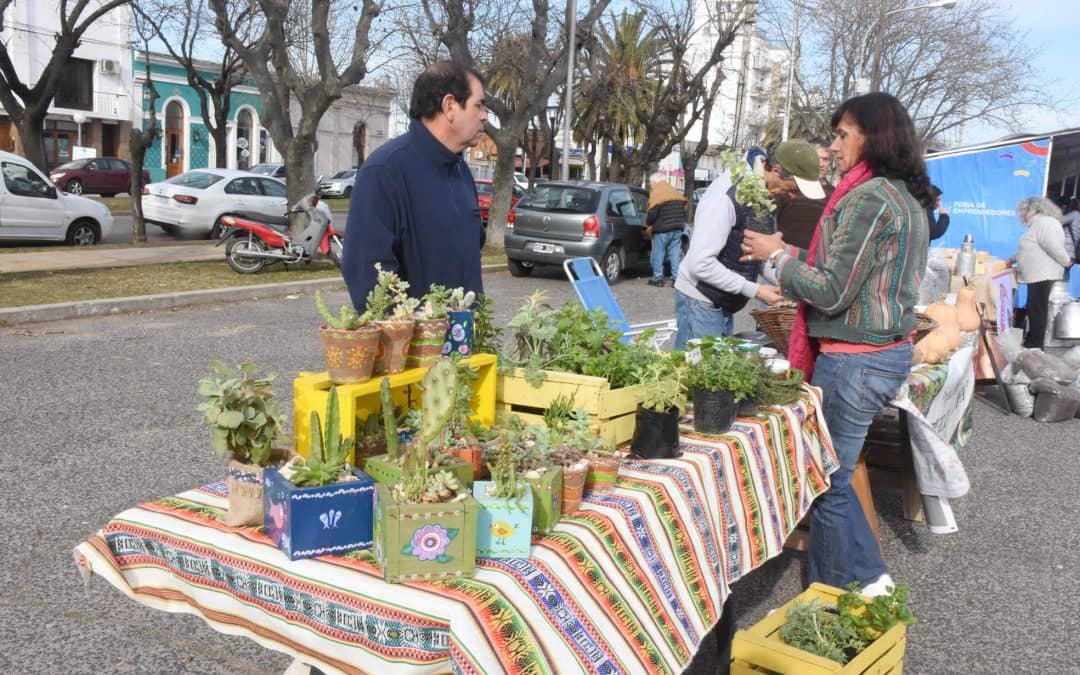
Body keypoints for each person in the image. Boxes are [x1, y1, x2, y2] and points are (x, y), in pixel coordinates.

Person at [742, 92, 931, 596]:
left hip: (855, 362)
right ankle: (867, 582)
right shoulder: (901, 198)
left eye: (843, 133)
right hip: (880, 354)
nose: (834, 144)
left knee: (825, 481)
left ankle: (830, 596)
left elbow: (831, 290)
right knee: (834, 477)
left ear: (874, 137)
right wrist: (787, 251)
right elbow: (851, 271)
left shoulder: (870, 198)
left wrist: (779, 263)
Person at [342, 61, 488, 309]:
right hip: (414, 344)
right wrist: (418, 333)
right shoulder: (385, 172)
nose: (485, 115)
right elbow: (368, 276)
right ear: (450, 106)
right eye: (479, 105)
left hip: (465, 341)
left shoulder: (461, 171)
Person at [672, 140, 821, 348]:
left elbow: (754, 254)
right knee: (695, 375)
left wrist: (784, 282)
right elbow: (700, 263)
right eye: (793, 188)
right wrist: (756, 290)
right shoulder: (728, 195)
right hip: (700, 303)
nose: (794, 196)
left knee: (715, 373)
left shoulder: (763, 193)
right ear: (776, 170)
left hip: (722, 302)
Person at [1006, 197, 1071, 349]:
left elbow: (1054, 248)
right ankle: (1032, 340)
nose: (1021, 217)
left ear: (1032, 210)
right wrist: (1014, 258)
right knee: (1034, 308)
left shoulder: (1046, 223)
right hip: (1037, 274)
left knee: (1037, 310)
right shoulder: (1038, 224)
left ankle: (1035, 344)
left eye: (1022, 212)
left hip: (1043, 274)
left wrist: (1067, 261)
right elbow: (1031, 246)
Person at [646, 173, 687, 287]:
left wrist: (648, 223)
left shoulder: (657, 193)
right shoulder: (674, 191)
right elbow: (684, 209)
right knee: (674, 254)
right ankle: (676, 279)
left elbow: (652, 214)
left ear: (655, 183)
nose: (651, 186)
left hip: (662, 229)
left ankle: (658, 278)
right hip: (677, 228)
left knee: (658, 253)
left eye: (650, 184)